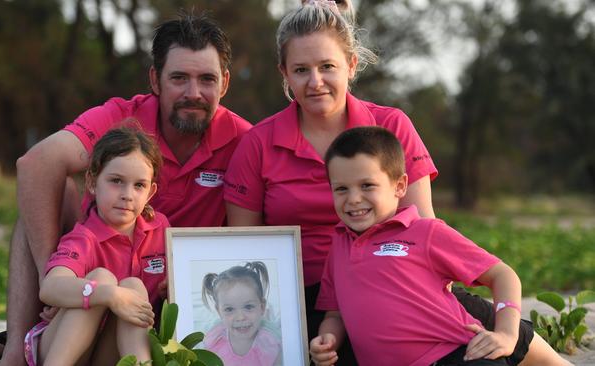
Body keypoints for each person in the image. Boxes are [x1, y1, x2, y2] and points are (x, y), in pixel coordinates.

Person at [224, 2, 563, 365]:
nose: (315, 81)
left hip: (396, 274)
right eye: (301, 70)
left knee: (474, 318)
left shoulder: (392, 125)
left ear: (351, 65)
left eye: (327, 67)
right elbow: (247, 248)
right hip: (306, 298)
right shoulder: (258, 143)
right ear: (284, 73)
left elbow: (423, 225)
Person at [0, 13, 252, 366]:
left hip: (159, 302)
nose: (193, 93)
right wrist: (58, 281)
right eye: (179, 78)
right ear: (155, 79)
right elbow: (35, 164)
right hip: (90, 278)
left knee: (131, 294)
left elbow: (251, 236)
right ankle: (16, 348)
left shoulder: (245, 140)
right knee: (53, 193)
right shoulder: (123, 120)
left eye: (206, 79)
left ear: (225, 83)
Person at [310, 126, 570, 366]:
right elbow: (335, 314)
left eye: (367, 185)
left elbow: (502, 275)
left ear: (399, 186)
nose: (353, 199)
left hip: (459, 356)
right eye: (341, 189)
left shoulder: (425, 232)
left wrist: (506, 332)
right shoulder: (340, 245)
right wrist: (328, 338)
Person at [24, 126, 164, 365]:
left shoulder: (159, 228)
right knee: (102, 278)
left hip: (110, 352)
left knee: (133, 287)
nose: (127, 195)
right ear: (92, 182)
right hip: (63, 351)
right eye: (116, 181)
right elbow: (49, 288)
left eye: (139, 185)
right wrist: (108, 294)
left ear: (150, 192)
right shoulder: (84, 238)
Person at [201, 262, 281, 366]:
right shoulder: (214, 340)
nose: (240, 317)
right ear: (219, 312)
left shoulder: (271, 344)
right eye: (229, 309)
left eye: (248, 307)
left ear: (261, 307)